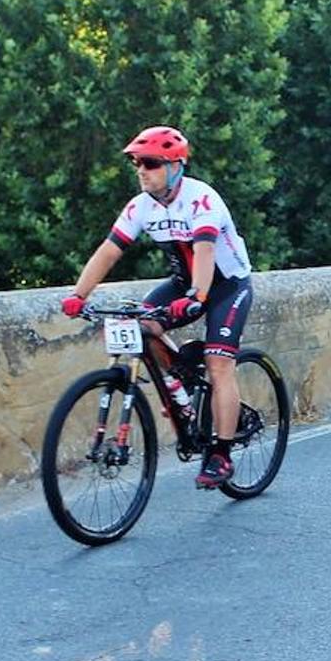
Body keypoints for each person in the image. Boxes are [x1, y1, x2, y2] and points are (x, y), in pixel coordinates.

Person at [61, 126, 255, 489]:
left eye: (150, 163)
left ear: (176, 166)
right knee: (141, 327)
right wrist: (79, 295)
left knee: (218, 363)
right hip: (184, 283)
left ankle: (221, 454)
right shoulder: (140, 206)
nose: (141, 169)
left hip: (227, 285)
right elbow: (109, 251)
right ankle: (180, 378)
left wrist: (196, 298)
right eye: (137, 162)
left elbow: (204, 253)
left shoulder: (202, 200)